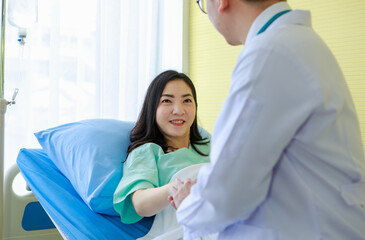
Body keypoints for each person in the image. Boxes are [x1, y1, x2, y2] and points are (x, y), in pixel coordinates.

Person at [169, 0, 365, 239]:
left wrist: (188, 203)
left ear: (221, 2)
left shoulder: (270, 53)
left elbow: (228, 194)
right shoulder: (298, 43)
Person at [113, 70, 210, 226]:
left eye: (187, 100)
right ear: (153, 108)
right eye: (167, 101)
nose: (179, 110)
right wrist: (174, 189)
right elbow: (140, 204)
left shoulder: (210, 146)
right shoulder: (147, 152)